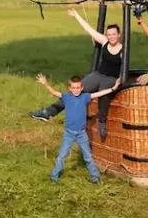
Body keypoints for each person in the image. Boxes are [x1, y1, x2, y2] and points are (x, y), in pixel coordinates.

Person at [30, 11, 123, 139]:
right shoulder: (104, 42)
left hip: (111, 79)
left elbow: (124, 68)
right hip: (98, 75)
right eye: (109, 34)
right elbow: (88, 29)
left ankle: (101, 122)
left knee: (104, 97)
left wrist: (120, 81)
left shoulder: (124, 50)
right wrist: (77, 15)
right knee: (76, 90)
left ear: (119, 35)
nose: (111, 36)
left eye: (114, 34)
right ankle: (48, 112)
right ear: (106, 35)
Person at [35, 72, 118, 183]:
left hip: (81, 134)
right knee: (61, 156)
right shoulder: (66, 97)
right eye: (73, 88)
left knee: (88, 157)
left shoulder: (85, 97)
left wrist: (113, 88)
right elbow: (54, 92)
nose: (76, 90)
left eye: (78, 87)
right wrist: (45, 84)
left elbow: (99, 94)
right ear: (70, 88)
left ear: (82, 87)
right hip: (68, 134)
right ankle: (54, 177)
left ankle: (95, 178)